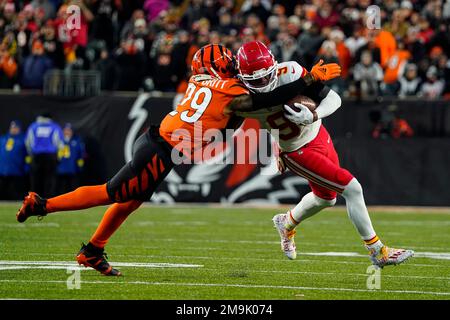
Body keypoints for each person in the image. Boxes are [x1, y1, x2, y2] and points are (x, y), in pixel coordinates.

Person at [16, 44, 341, 276]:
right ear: (222, 68)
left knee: (130, 201)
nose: (232, 68)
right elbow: (268, 98)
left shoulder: (202, 83)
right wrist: (308, 80)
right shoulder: (228, 91)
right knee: (112, 193)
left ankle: (93, 250)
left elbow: (256, 101)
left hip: (161, 143)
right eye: (229, 64)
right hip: (162, 150)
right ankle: (42, 205)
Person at [235, 40, 413, 268]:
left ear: (274, 64)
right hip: (296, 151)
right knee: (353, 188)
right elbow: (265, 120)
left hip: (318, 133)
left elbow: (334, 99)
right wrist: (278, 145)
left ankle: (286, 222)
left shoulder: (290, 72)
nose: (262, 83)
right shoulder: (241, 98)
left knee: (326, 199)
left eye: (265, 76)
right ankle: (378, 250)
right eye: (255, 80)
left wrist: (314, 115)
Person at [25, 113, 64, 197]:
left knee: (35, 179)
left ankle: (34, 198)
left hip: (36, 156)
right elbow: (60, 143)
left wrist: (31, 154)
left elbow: (28, 142)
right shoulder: (54, 127)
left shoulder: (33, 126)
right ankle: (48, 199)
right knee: (50, 178)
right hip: (50, 156)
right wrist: (58, 157)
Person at [0, 121, 29, 200]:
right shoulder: (3, 138)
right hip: (3, 171)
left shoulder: (23, 140)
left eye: (16, 128)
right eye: (12, 128)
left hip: (17, 170)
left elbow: (27, 155)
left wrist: (26, 166)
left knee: (17, 191)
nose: (14, 130)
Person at [57, 124, 85, 194]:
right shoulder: (59, 141)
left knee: (73, 187)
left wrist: (80, 165)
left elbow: (80, 154)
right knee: (62, 187)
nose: (67, 132)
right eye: (65, 130)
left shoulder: (76, 141)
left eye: (69, 130)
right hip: (61, 169)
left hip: (73, 169)